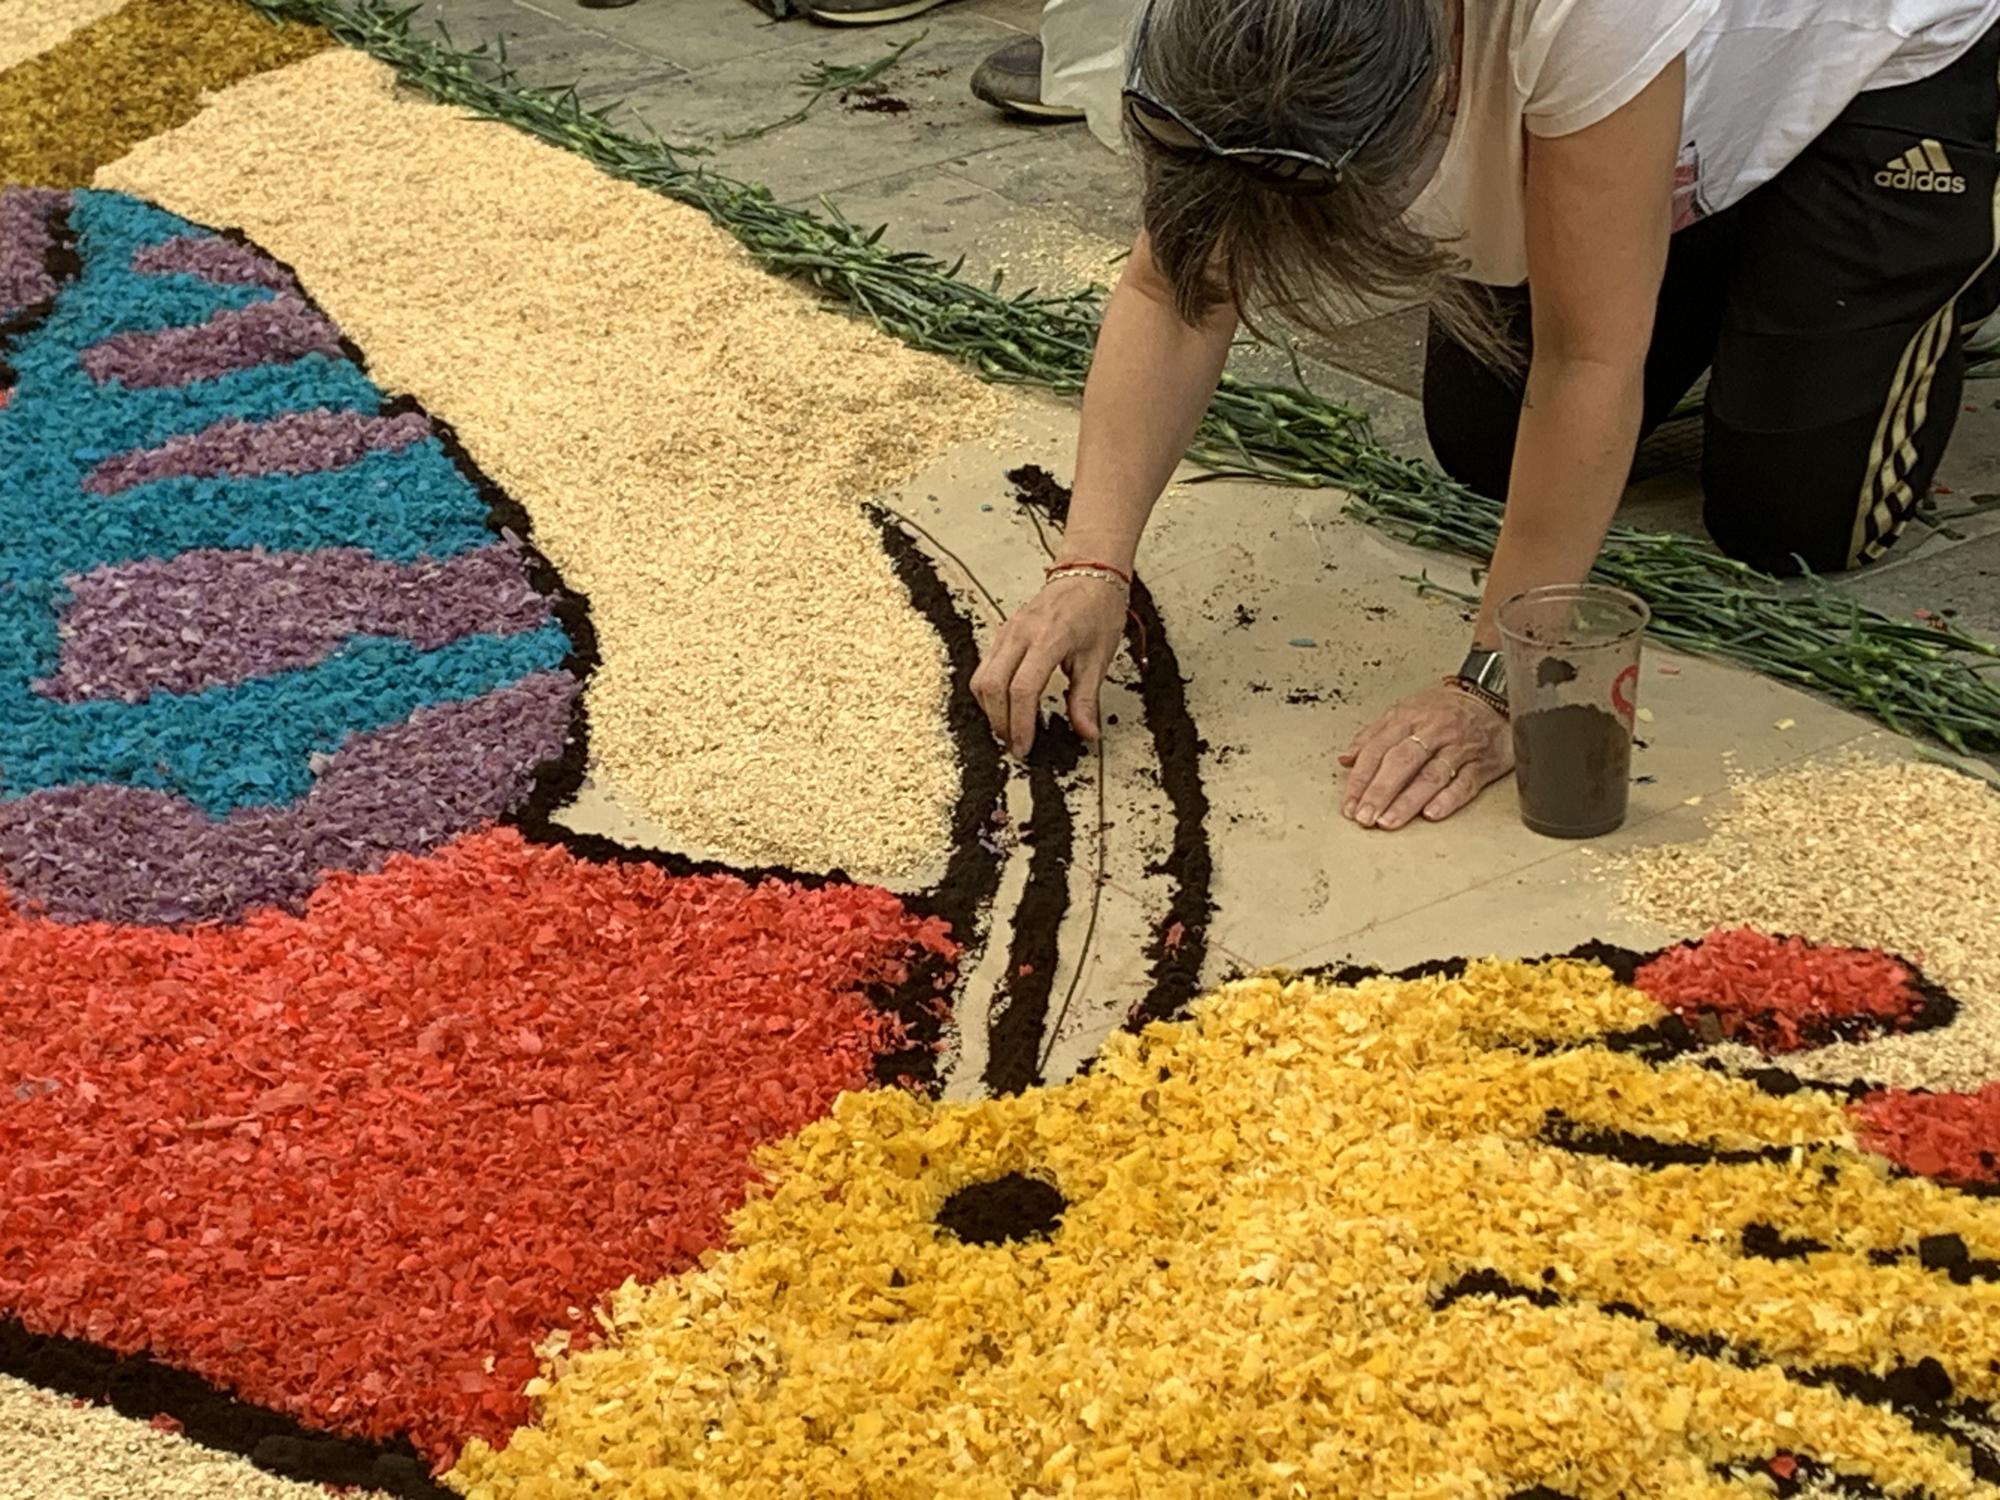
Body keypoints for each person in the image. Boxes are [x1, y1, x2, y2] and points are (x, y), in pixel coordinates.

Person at [970, 0, 2000, 832]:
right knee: (1484, 446)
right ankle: (1685, 223)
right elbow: (1175, 285)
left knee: (1792, 516)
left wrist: (1492, 680)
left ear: (1434, 89)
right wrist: (1091, 564)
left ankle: (1907, 240)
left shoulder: (1583, 16)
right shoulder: (1233, 32)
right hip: (1626, 86)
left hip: (1860, 54)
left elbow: (1587, 358)